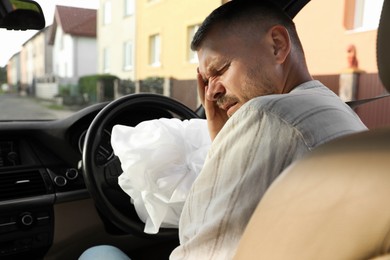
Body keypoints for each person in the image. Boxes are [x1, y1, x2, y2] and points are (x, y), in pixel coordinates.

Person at [79, 1, 367, 259]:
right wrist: (221, 142)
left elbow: (203, 252)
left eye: (220, 70)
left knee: (98, 252)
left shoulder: (267, 117)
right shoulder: (336, 109)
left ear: (277, 45)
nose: (212, 91)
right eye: (205, 80)